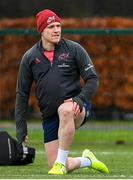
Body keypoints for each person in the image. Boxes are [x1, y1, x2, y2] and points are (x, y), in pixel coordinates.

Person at [15, 9, 109, 175]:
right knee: (54, 165)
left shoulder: (74, 49)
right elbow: (22, 94)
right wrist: (21, 127)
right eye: (51, 26)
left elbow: (92, 79)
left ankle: (60, 164)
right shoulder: (29, 57)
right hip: (50, 116)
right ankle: (87, 160)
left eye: (58, 25)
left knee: (64, 109)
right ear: (41, 31)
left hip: (77, 107)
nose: (57, 30)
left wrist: (79, 100)